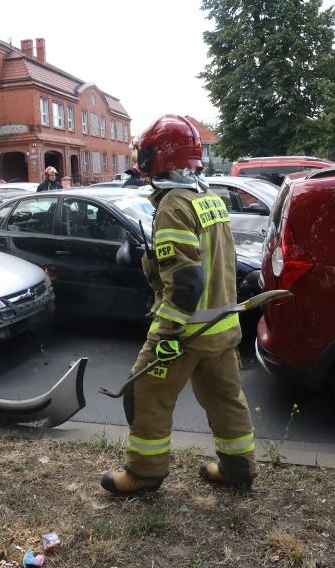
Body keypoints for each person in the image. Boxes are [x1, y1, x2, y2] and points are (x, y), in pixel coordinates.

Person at [101, 114, 257, 495]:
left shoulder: (173, 204)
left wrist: (168, 333)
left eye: (146, 151)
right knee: (226, 399)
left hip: (186, 329)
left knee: (146, 395)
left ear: (159, 156)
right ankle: (238, 468)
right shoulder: (210, 199)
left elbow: (186, 282)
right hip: (220, 325)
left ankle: (144, 473)